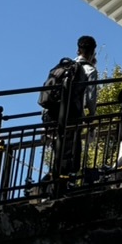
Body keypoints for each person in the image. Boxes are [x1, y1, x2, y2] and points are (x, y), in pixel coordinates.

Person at [41, 36, 99, 189]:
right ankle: (62, 187)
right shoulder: (90, 70)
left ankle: (49, 186)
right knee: (72, 155)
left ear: (78, 50)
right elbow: (91, 98)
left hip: (52, 116)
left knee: (58, 154)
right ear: (93, 52)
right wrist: (91, 118)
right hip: (71, 117)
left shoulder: (64, 67)